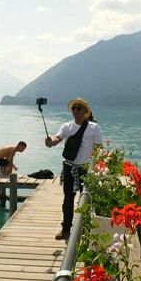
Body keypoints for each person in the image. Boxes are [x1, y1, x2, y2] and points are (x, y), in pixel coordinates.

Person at [44, 97, 103, 241]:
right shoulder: (66, 127)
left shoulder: (93, 128)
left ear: (85, 112)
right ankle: (66, 229)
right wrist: (50, 142)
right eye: (74, 108)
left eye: (79, 108)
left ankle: (85, 230)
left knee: (86, 200)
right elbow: (57, 138)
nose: (75, 111)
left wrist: (96, 167)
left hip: (86, 169)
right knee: (68, 200)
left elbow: (98, 148)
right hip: (69, 167)